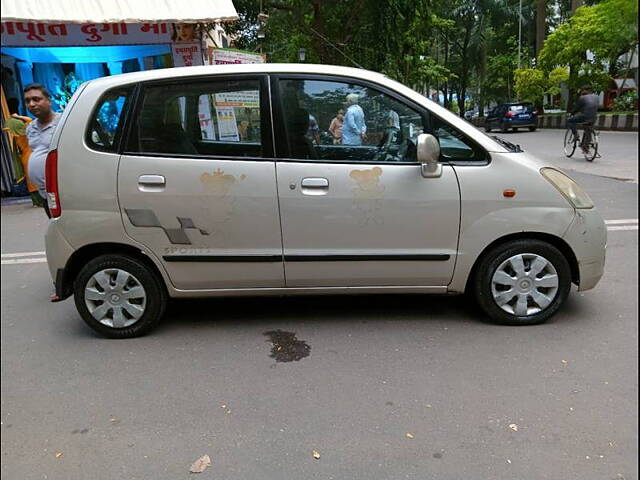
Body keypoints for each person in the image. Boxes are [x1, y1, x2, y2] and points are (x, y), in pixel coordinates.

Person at [23, 83, 60, 218]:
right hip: (44, 193)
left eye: (36, 99)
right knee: (54, 225)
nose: (31, 104)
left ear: (49, 101)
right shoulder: (30, 127)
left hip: (62, 191)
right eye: (27, 101)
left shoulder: (63, 122)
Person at [6, 98, 43, 207]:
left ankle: (36, 201)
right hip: (30, 152)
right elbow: (30, 120)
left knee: (29, 178)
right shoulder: (20, 124)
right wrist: (18, 116)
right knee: (35, 177)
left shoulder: (9, 123)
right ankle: (40, 200)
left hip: (24, 154)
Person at [568, 85, 599, 153]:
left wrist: (571, 114)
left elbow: (576, 108)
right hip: (593, 117)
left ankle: (576, 135)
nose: (582, 91)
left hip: (584, 117)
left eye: (582, 90)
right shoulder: (597, 97)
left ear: (586, 90)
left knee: (570, 120)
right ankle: (585, 146)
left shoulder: (582, 97)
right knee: (588, 128)